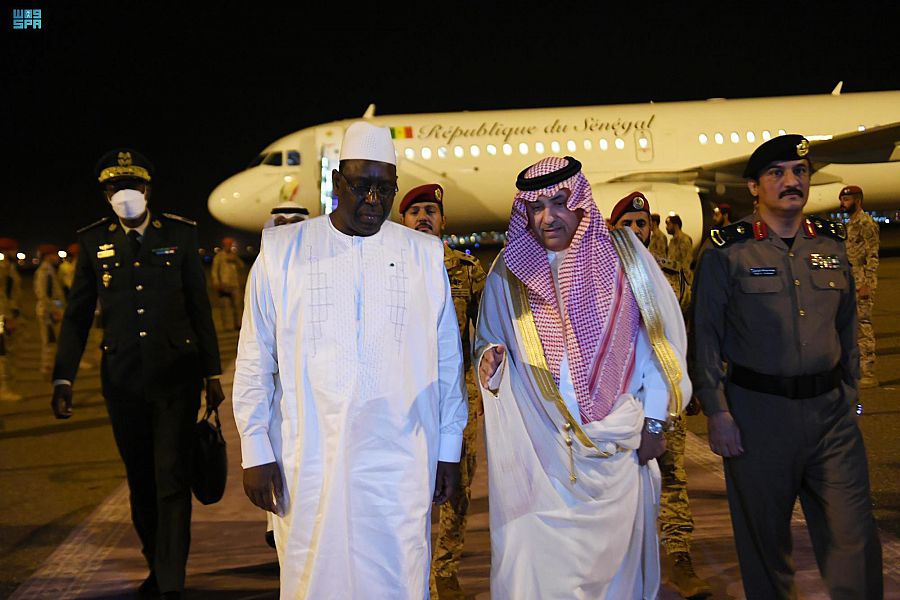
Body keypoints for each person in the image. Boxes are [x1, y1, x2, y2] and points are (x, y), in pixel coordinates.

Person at [232, 121, 467, 599]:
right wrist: (256, 449)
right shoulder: (282, 251)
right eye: (362, 186)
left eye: (385, 188)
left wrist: (448, 449)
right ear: (338, 182)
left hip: (401, 458)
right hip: (309, 458)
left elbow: (447, 364)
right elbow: (256, 357)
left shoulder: (424, 255)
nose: (374, 200)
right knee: (313, 577)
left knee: (399, 575)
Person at [475, 156, 690, 598]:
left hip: (618, 449)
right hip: (541, 456)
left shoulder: (626, 257)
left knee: (616, 579)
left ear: (580, 204)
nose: (548, 216)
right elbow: (488, 339)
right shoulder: (508, 273)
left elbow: (660, 344)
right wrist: (488, 360)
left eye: (559, 201)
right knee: (534, 565)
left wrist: (655, 421)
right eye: (537, 207)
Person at [693, 135, 882, 598]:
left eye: (799, 171)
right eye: (776, 173)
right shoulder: (726, 253)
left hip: (831, 418)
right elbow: (705, 338)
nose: (791, 181)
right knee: (766, 548)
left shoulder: (832, 246)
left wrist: (850, 393)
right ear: (754, 188)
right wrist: (718, 412)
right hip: (757, 419)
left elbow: (847, 327)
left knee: (853, 539)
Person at [51, 148, 224, 600]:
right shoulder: (93, 241)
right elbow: (77, 315)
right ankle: (155, 561)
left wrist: (211, 375)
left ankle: (171, 580)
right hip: (123, 380)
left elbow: (199, 308)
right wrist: (62, 378)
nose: (124, 194)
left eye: (132, 187)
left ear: (148, 190)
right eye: (114, 188)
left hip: (176, 377)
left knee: (171, 476)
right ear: (105, 195)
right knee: (141, 480)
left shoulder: (181, 235)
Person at [609, 192, 710, 599]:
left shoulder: (673, 273)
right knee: (619, 482)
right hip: (618, 399)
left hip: (663, 394)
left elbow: (686, 329)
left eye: (642, 223)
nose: (637, 230)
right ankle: (621, 564)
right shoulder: (599, 274)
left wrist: (693, 383)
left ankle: (680, 557)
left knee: (673, 476)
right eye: (628, 224)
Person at [399, 183, 486, 600]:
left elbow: (487, 333)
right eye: (415, 211)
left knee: (457, 488)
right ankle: (407, 571)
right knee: (404, 486)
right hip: (402, 399)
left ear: (443, 220)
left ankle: (446, 571)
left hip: (458, 398)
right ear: (402, 221)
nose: (423, 218)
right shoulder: (387, 266)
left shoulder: (467, 270)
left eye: (431, 210)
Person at [839, 184, 879, 389]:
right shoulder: (850, 224)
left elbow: (872, 256)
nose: (843, 203)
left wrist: (866, 284)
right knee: (852, 327)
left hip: (862, 281)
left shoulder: (866, 223)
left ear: (858, 200)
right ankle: (856, 369)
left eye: (847, 200)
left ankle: (869, 372)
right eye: (842, 200)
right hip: (850, 281)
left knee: (864, 327)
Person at [34, 244, 65, 375]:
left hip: (50, 311)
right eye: (54, 254)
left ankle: (51, 367)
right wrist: (55, 310)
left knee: (53, 341)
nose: (57, 257)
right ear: (47, 257)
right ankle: (47, 369)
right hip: (48, 313)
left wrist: (59, 306)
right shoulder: (45, 272)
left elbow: (54, 296)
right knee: (49, 342)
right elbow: (44, 296)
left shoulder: (50, 270)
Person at [0, 238, 22, 402]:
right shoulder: (2, 268)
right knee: (2, 353)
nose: (15, 253)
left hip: (7, 314)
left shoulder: (9, 267)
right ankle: (3, 389)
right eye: (13, 250)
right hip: (2, 316)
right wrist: (5, 318)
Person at [210, 236, 246, 331]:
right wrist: (216, 282)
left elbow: (242, 266)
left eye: (230, 244)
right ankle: (227, 326)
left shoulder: (234, 256)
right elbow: (214, 270)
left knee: (237, 306)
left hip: (235, 285)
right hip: (224, 285)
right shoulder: (219, 256)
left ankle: (238, 324)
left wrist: (235, 259)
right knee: (225, 307)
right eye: (228, 244)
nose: (229, 246)